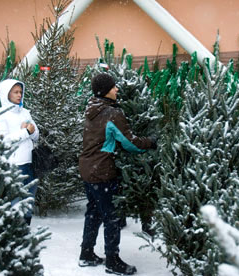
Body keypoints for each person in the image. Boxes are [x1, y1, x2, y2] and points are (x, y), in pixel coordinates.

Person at [78, 73, 157, 275]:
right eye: (114, 87)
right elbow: (129, 143)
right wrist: (151, 142)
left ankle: (86, 254)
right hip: (102, 171)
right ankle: (112, 260)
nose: (117, 90)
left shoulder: (91, 109)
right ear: (105, 91)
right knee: (111, 217)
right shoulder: (112, 113)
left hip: (88, 169)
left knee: (93, 211)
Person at [0, 79, 39, 225]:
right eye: (15, 92)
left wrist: (31, 131)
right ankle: (13, 228)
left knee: (29, 198)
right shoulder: (0, 115)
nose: (19, 95)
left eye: (20, 92)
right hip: (13, 165)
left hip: (29, 162)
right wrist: (25, 131)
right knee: (14, 200)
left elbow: (36, 134)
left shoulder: (25, 112)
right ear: (7, 94)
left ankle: (26, 225)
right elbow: (4, 141)